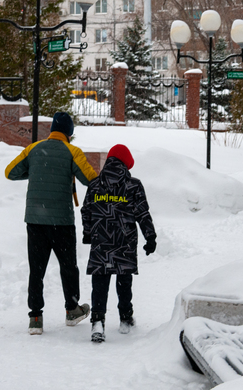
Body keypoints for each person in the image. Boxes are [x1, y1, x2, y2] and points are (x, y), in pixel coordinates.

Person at [5, 112, 98, 335]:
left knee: (36, 270)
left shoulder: (34, 149)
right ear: (70, 132)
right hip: (62, 222)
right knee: (68, 267)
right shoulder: (72, 151)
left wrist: (36, 171)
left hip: (35, 220)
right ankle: (72, 310)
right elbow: (91, 180)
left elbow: (10, 172)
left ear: (52, 130)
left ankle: (35, 318)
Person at [81, 144, 156, 342]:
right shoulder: (134, 185)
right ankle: (125, 318)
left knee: (100, 282)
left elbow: (86, 211)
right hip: (125, 242)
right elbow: (142, 214)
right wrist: (151, 237)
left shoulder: (95, 184)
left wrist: (88, 233)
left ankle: (98, 321)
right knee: (124, 280)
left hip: (101, 241)